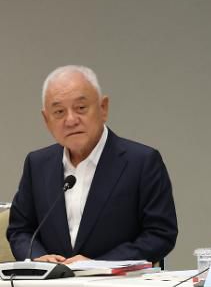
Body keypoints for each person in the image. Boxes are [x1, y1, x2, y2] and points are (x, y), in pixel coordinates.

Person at [7, 65, 178, 265]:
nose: (71, 120)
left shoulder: (142, 161)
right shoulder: (37, 164)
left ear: (103, 108)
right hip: (53, 283)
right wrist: (37, 257)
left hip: (117, 283)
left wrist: (99, 264)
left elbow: (160, 234)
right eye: (59, 112)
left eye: (80, 108)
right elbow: (20, 230)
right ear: (46, 120)